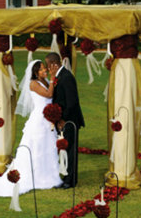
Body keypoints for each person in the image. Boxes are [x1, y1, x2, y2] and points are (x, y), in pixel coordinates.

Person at [0, 60, 62, 197]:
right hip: (39, 120)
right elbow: (49, 94)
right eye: (42, 69)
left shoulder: (44, 81)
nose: (45, 71)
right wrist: (53, 79)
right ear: (36, 73)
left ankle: (48, 175)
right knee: (36, 146)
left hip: (47, 119)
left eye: (44, 68)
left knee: (46, 146)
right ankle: (34, 176)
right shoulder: (34, 84)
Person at [45, 52, 85, 189]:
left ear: (54, 65)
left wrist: (63, 120)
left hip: (70, 121)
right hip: (63, 120)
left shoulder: (66, 77)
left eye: (48, 65)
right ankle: (66, 177)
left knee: (71, 151)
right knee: (65, 150)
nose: (48, 68)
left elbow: (72, 102)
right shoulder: (60, 76)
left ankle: (71, 180)